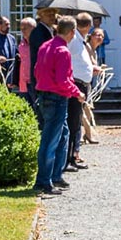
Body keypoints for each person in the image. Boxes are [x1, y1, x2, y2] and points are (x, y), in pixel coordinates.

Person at [33, 16, 85, 196]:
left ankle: (55, 175)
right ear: (72, 31)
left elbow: (37, 71)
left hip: (44, 95)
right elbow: (63, 80)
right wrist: (77, 93)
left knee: (62, 135)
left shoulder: (45, 46)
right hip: (57, 98)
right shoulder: (63, 51)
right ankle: (43, 181)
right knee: (50, 140)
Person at [66, 12, 97, 171]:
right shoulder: (74, 40)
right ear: (88, 26)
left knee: (77, 122)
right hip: (75, 84)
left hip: (81, 84)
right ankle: (68, 159)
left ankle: (73, 156)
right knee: (73, 122)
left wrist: (91, 68)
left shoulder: (80, 39)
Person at [28, 6, 58, 127]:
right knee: (44, 115)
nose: (52, 17)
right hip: (41, 78)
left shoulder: (51, 30)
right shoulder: (38, 32)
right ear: (41, 16)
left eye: (53, 14)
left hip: (48, 77)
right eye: (48, 14)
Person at [0, 15, 19, 87]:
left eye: (9, 24)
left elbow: (16, 53)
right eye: (6, 24)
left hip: (10, 76)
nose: (9, 26)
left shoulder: (11, 38)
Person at [17, 17, 36, 107]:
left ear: (33, 28)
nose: (22, 31)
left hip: (35, 83)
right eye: (21, 28)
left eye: (25, 28)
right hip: (23, 85)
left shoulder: (38, 44)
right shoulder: (21, 44)